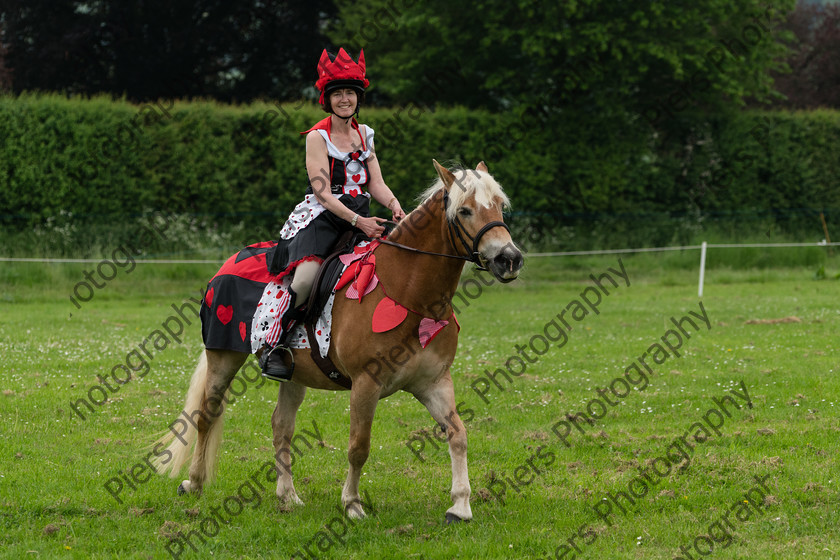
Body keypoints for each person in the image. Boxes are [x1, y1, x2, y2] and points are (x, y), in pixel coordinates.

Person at [257, 48, 406, 381]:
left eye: (350, 92)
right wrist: (358, 221)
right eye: (337, 93)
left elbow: (376, 183)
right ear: (327, 98)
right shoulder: (317, 137)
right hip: (323, 218)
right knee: (308, 278)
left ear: (358, 97)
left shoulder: (365, 134)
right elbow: (323, 192)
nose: (344, 99)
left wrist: (395, 205)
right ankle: (274, 344)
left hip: (362, 216)